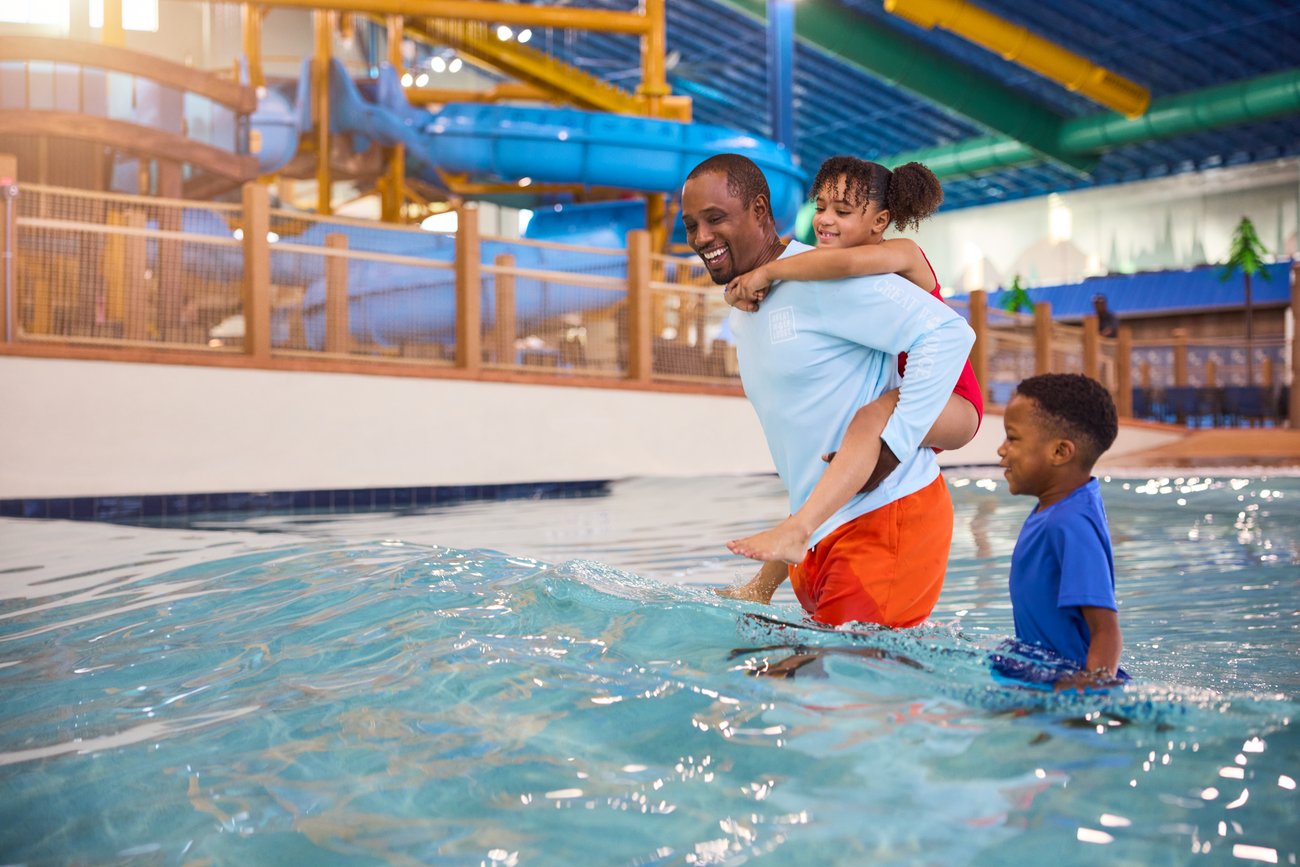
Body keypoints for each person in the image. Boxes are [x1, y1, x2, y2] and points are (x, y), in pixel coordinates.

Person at [682, 153, 975, 628]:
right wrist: (765, 582)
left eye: (715, 219)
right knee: (794, 682)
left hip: (883, 520)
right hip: (823, 531)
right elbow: (814, 436)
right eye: (691, 225)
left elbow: (949, 334)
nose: (700, 238)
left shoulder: (829, 274)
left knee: (829, 688)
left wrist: (894, 446)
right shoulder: (750, 296)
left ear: (760, 211)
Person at [994, 373, 1127, 692]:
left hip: (1066, 684)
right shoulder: (1057, 507)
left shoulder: (1068, 523)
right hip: (1042, 673)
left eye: (1012, 438)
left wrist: (1085, 699)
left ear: (1060, 452)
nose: (1001, 450)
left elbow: (1106, 631)